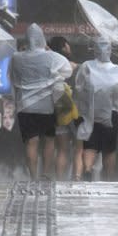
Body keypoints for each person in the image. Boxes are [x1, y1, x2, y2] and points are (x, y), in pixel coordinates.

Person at [75, 36, 118, 181]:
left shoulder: (86, 66)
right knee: (109, 150)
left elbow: (79, 87)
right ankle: (109, 178)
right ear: (110, 51)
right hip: (111, 115)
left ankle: (87, 169)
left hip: (89, 113)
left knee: (90, 146)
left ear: (95, 50)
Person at [11, 24, 73, 179]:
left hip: (25, 106)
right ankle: (45, 174)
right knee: (49, 140)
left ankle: (33, 177)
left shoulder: (16, 57)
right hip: (46, 106)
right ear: (42, 39)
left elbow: (12, 78)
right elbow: (68, 70)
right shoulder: (51, 57)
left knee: (31, 142)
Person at [48, 36, 82, 181]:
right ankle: (77, 178)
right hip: (77, 112)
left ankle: (60, 179)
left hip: (59, 110)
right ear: (64, 47)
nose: (69, 47)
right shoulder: (77, 67)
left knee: (61, 149)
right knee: (78, 148)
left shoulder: (51, 67)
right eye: (67, 45)